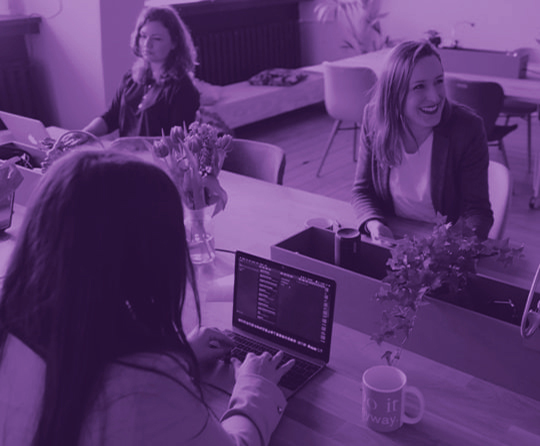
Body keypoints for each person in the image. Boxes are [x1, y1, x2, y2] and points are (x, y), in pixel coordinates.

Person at [0, 149, 294, 445]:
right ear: (146, 259)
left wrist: (181, 353)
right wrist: (256, 388)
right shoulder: (145, 388)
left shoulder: (14, 325)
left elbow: (85, 362)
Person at [352, 40, 494, 242]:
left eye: (439, 81)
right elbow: (362, 191)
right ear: (394, 95)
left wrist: (448, 245)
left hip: (443, 248)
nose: (435, 97)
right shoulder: (374, 119)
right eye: (419, 86)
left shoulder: (467, 128)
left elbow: (477, 213)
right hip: (392, 238)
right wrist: (374, 225)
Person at [83, 6, 200, 137]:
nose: (147, 44)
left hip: (153, 157)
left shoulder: (183, 88)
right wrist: (85, 133)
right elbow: (111, 117)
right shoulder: (130, 78)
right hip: (125, 154)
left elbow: (178, 143)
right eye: (143, 36)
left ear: (174, 43)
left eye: (156, 38)